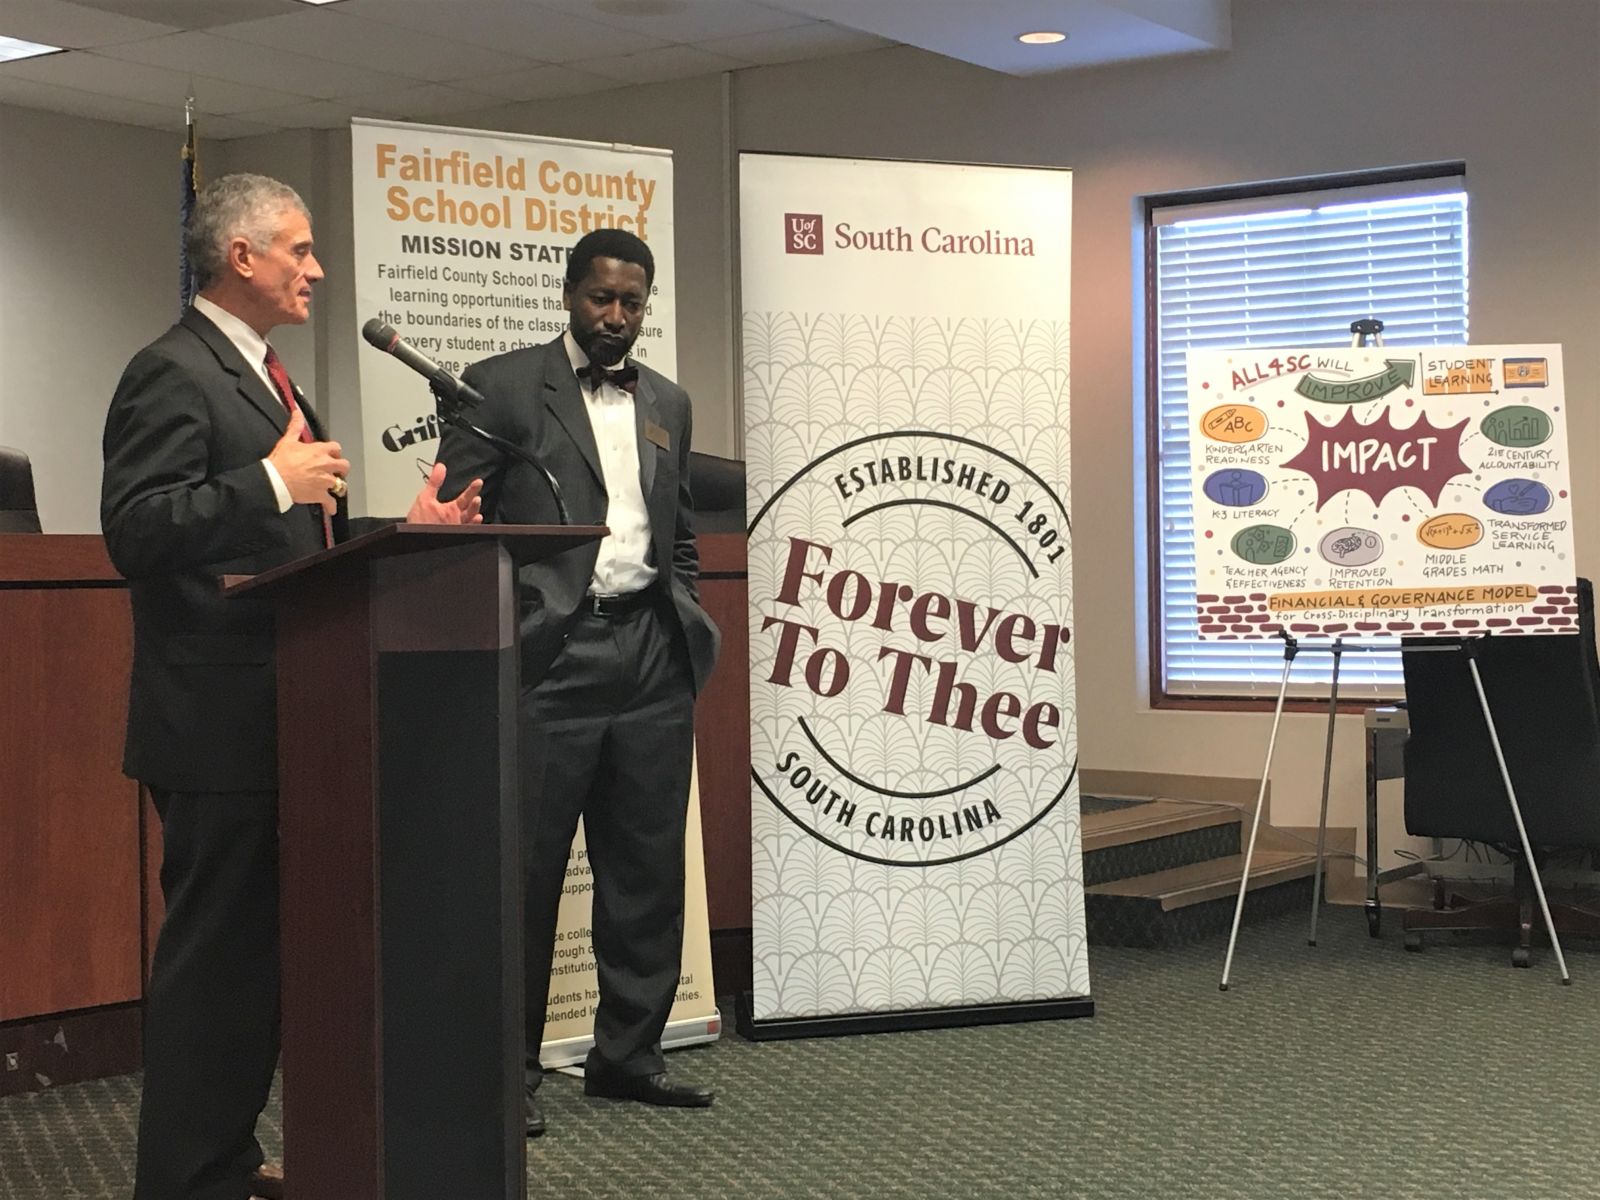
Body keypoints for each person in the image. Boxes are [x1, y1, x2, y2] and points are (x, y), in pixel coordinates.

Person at [102, 173, 481, 1200]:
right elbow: (134, 533)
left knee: (254, 967)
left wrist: (403, 535)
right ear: (244, 257)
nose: (316, 269)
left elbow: (292, 547)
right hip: (216, 722)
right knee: (212, 969)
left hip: (289, 715)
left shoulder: (269, 377)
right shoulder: (170, 372)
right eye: (300, 249)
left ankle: (220, 1161)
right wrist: (271, 479)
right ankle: (182, 1181)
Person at [434, 227, 720, 1137]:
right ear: (568, 294)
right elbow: (458, 521)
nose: (617, 318)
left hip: (649, 655)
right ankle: (504, 1075)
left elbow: (675, 535)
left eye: (633, 302)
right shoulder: (504, 387)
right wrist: (510, 624)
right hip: (550, 659)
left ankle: (628, 1056)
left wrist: (681, 620)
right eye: (602, 299)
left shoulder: (668, 399)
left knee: (645, 866)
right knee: (525, 870)